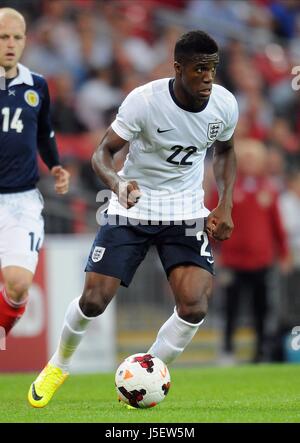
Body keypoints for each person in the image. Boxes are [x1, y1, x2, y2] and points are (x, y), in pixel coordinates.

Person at [28, 30, 238, 408]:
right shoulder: (144, 102)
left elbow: (225, 151)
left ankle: (146, 373)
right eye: (199, 69)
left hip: (186, 212)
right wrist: (116, 182)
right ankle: (59, 364)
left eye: (213, 69)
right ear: (178, 68)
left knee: (194, 306)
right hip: (133, 208)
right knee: (94, 301)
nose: (208, 77)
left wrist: (224, 203)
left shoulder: (223, 104)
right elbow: (101, 154)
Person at [0, 8, 70, 335]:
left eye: (16, 37)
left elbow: (44, 132)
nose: (10, 44)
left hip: (21, 201)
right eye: (3, 37)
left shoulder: (37, 85)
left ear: (26, 40)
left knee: (17, 285)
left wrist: (55, 165)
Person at [207, 139, 290, 364]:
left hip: (261, 260)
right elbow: (211, 220)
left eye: (255, 158)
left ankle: (260, 352)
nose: (251, 162)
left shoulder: (269, 189)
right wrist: (214, 250)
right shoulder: (226, 189)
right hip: (233, 260)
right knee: (230, 307)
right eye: (247, 158)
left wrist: (283, 253)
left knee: (261, 308)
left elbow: (277, 225)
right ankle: (227, 350)